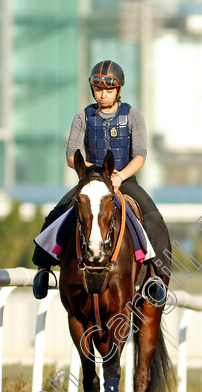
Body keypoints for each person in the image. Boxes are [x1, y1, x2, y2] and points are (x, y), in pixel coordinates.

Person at [32, 60, 170, 305]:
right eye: (98, 89)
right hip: (92, 180)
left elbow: (140, 155)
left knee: (153, 218)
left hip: (122, 179)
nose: (102, 94)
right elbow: (70, 156)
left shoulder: (134, 116)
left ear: (118, 90)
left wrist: (118, 176)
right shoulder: (82, 116)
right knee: (57, 214)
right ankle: (43, 268)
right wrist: (94, 174)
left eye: (108, 89)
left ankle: (157, 277)